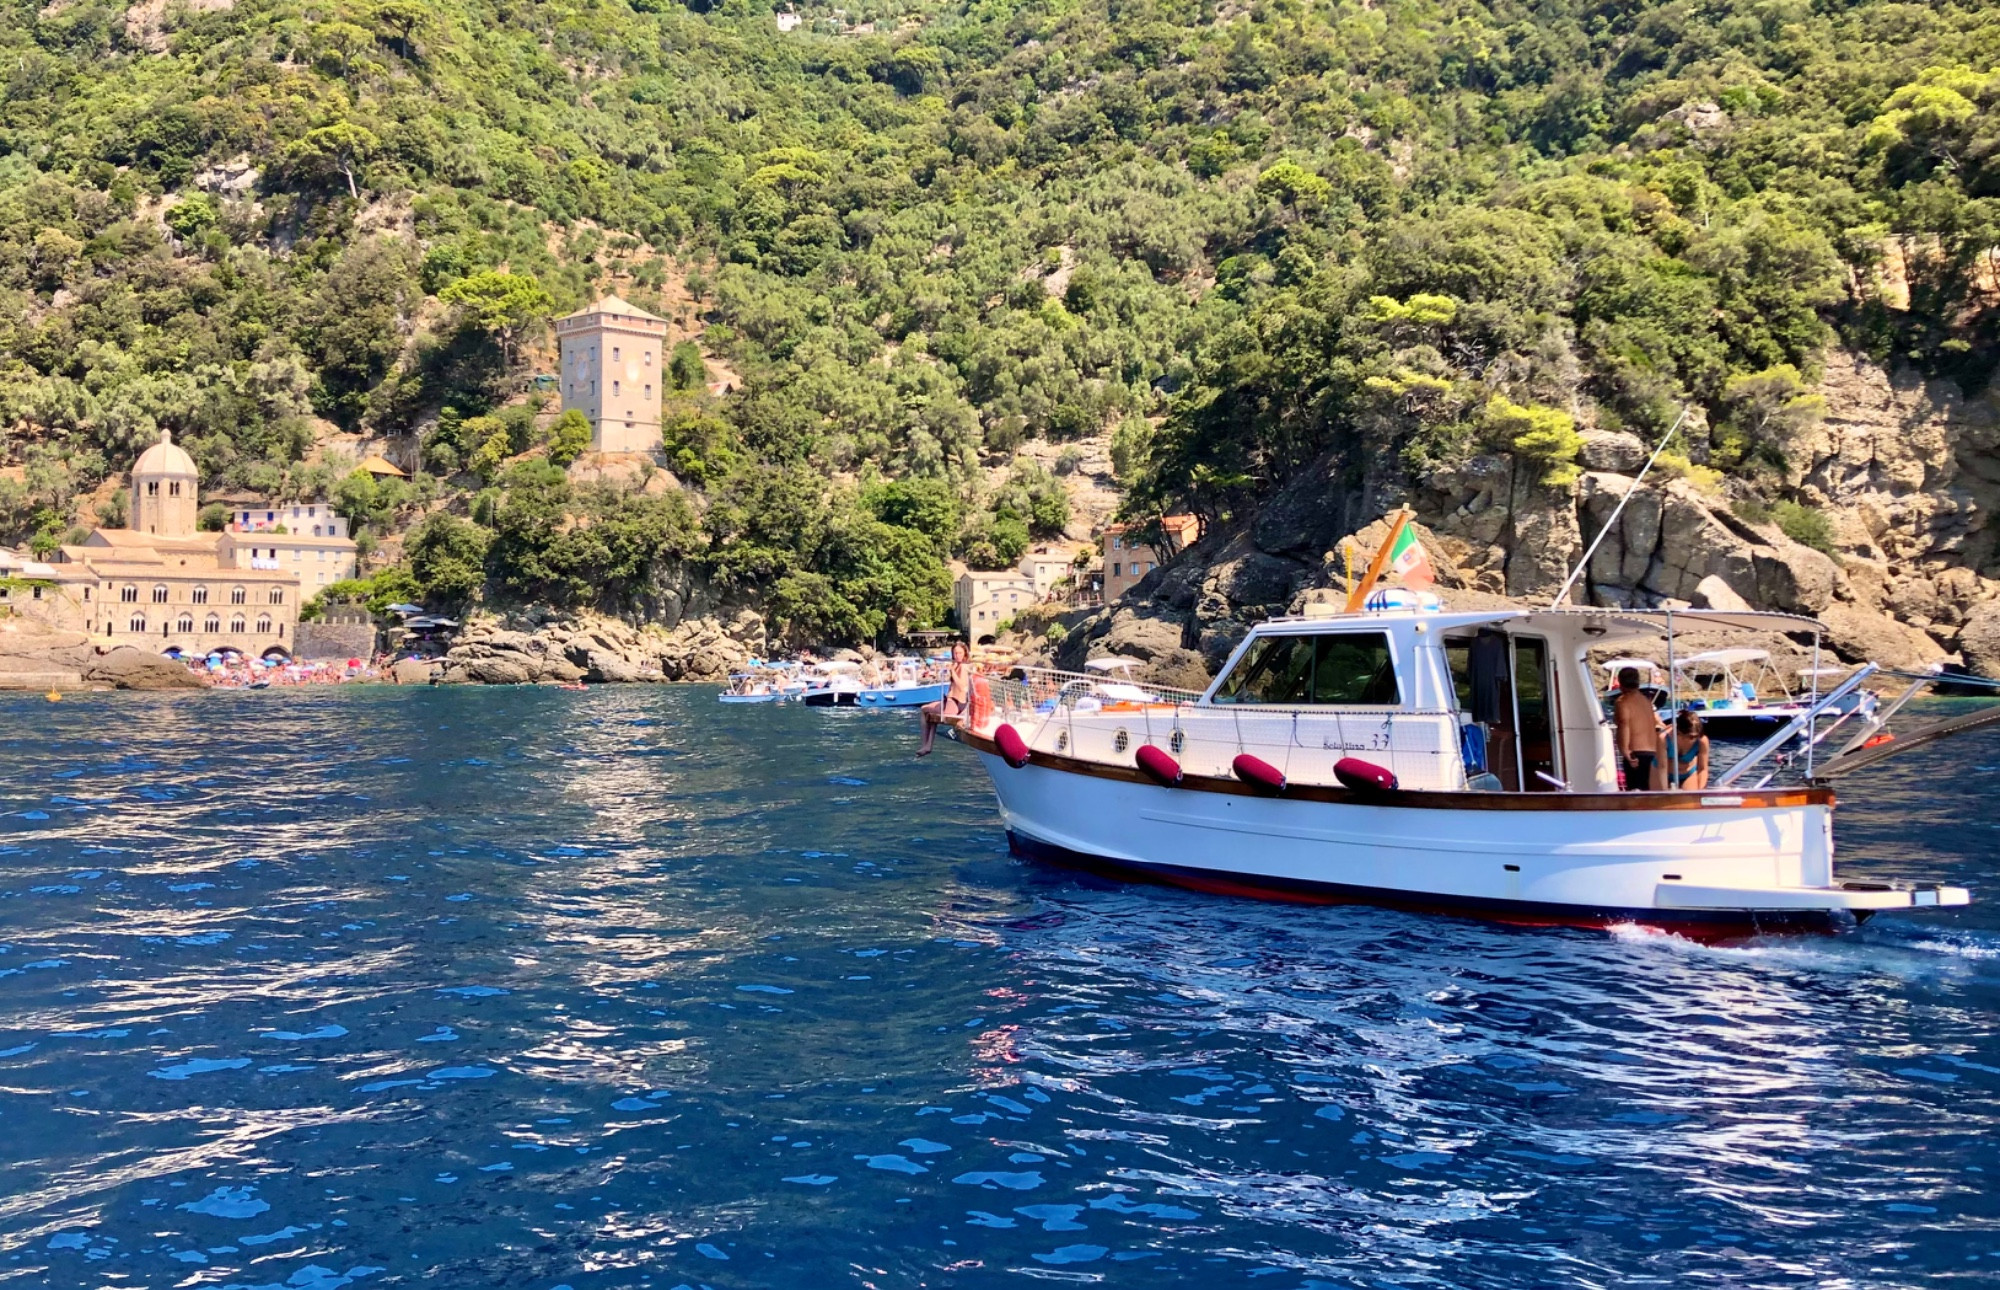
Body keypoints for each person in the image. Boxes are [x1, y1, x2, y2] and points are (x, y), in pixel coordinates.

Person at [1613, 665, 1665, 791]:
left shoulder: (1623, 702)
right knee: (1649, 793)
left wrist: (1626, 752)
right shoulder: (1646, 701)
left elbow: (1624, 724)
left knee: (1636, 795)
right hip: (1652, 752)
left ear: (1620, 682)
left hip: (1635, 754)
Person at [917, 640, 972, 756]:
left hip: (955, 704)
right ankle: (927, 746)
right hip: (952, 701)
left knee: (925, 711)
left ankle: (926, 745)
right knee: (928, 712)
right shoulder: (958, 665)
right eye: (955, 653)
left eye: (960, 653)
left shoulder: (963, 667)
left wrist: (952, 671)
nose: (957, 656)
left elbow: (962, 686)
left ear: (965, 654)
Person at [1670, 708, 1710, 790]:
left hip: (1688, 773)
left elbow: (1703, 769)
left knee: (1691, 798)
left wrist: (1700, 790)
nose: (1695, 739)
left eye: (1697, 736)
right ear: (1679, 733)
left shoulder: (1702, 741)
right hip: (1665, 772)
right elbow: (1661, 767)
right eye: (1691, 737)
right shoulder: (1666, 739)